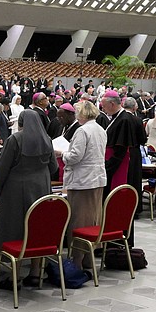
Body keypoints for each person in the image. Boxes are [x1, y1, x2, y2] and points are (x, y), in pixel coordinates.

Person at [0, 109, 58, 289]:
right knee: (37, 229)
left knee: (15, 229)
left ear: (20, 122)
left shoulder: (15, 140)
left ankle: (14, 276)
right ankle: (35, 273)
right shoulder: (47, 140)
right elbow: (54, 167)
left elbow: (2, 170)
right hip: (42, 189)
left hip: (16, 190)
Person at [59, 100, 107, 268]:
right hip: (97, 178)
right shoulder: (100, 129)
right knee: (92, 219)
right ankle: (88, 258)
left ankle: (77, 260)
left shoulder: (82, 130)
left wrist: (62, 153)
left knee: (79, 220)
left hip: (82, 180)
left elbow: (75, 156)